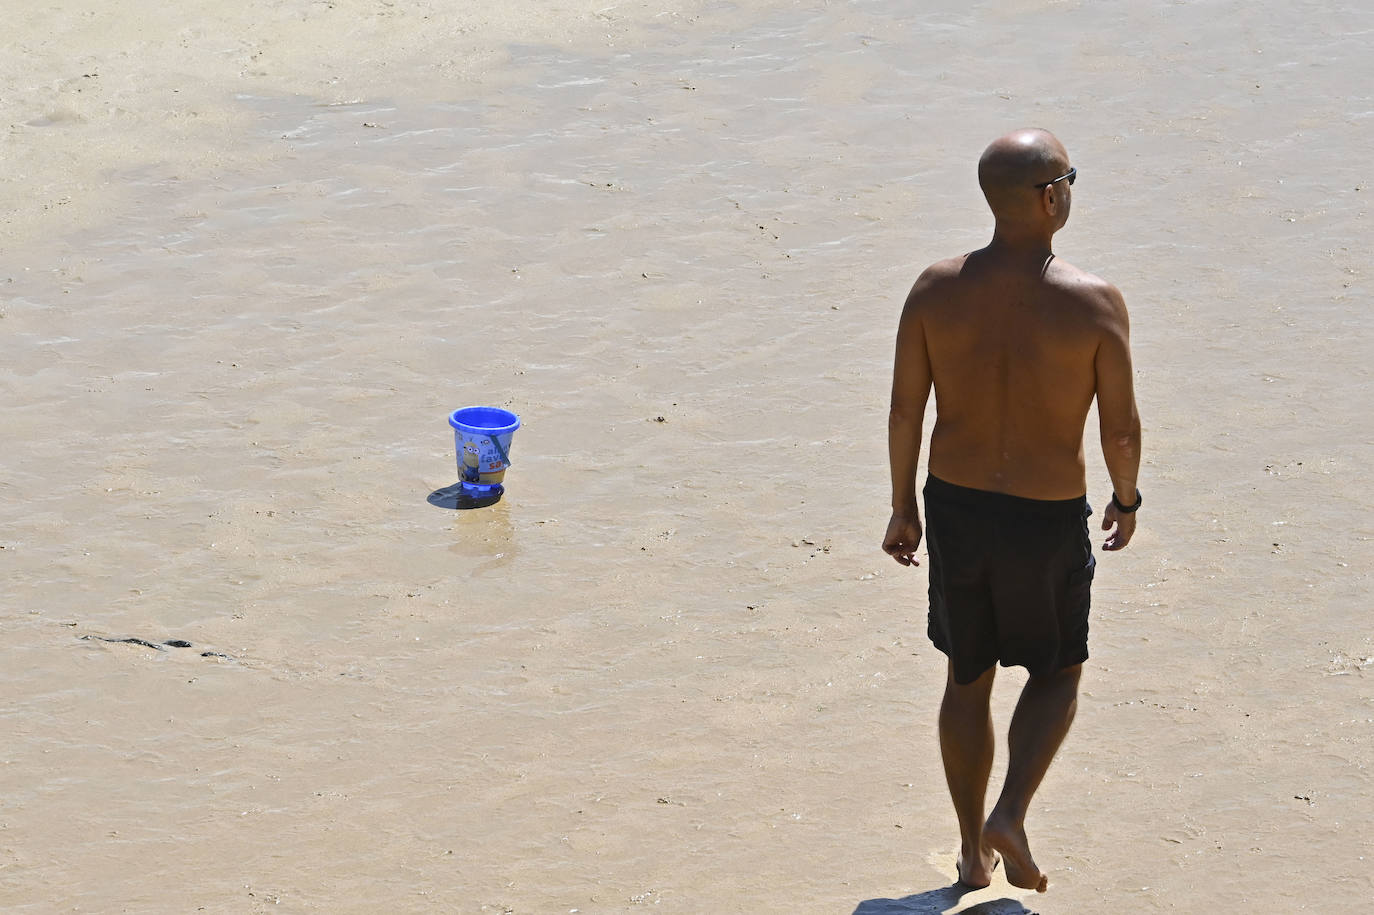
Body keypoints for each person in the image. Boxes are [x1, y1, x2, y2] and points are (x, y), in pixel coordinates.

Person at [882, 128, 1142, 894]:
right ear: (1051, 196)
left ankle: (972, 854)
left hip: (956, 505)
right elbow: (1120, 427)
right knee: (1058, 671)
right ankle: (1012, 811)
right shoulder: (1093, 302)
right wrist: (1126, 498)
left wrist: (903, 506)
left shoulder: (934, 288)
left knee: (968, 676)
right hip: (1045, 513)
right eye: (1070, 177)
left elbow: (906, 411)